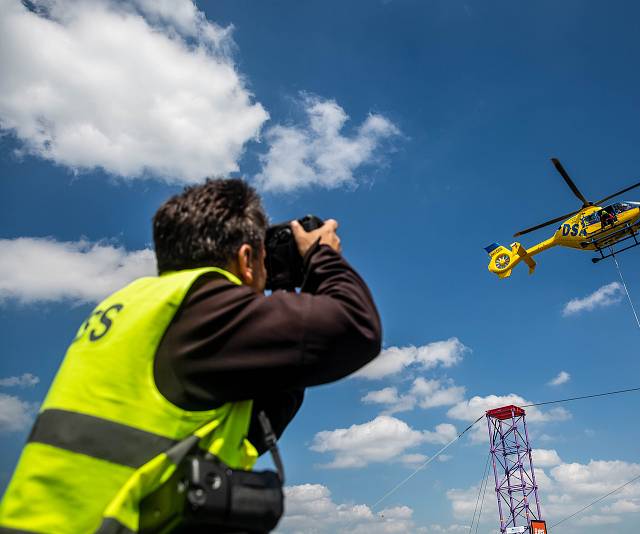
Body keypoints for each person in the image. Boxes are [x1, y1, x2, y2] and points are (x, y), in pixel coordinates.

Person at [0, 178, 382, 533]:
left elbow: (255, 425)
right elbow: (355, 326)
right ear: (247, 258)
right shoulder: (201, 310)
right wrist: (321, 256)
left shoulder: (138, 307)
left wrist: (278, 286)